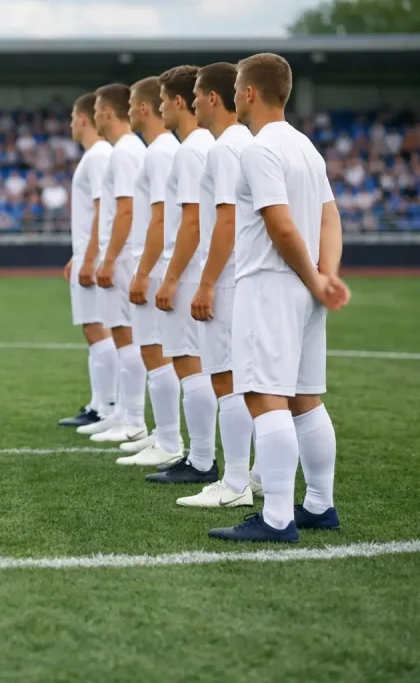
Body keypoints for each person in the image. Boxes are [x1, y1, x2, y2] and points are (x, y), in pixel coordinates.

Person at [210, 53, 349, 543]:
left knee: (263, 395)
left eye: (236, 90)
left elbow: (279, 223)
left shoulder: (259, 148)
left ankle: (275, 519)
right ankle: (318, 503)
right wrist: (324, 276)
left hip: (271, 283)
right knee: (305, 398)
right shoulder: (306, 147)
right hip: (304, 287)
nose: (233, 98)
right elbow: (330, 218)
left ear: (248, 93)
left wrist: (315, 277)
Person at [176, 62, 259, 507]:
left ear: (212, 98)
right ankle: (253, 475)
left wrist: (206, 284)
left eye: (196, 95)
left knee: (226, 379)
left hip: (227, 280)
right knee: (249, 380)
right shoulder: (248, 142)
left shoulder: (226, 149)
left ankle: (234, 484)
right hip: (247, 276)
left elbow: (224, 220)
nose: (191, 103)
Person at [144, 65, 219, 486]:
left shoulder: (191, 149)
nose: (165, 109)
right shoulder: (207, 145)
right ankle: (202, 455)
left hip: (191, 267)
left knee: (190, 365)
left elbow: (190, 223)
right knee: (203, 366)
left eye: (164, 102)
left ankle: (203, 460)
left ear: (176, 101)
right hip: (203, 265)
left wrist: (170, 278)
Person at [115, 76, 184, 466]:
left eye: (133, 106)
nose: (130, 114)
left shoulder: (160, 153)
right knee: (156, 352)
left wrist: (143, 272)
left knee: (156, 353)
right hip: (159, 260)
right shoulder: (161, 151)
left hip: (157, 262)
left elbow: (160, 218)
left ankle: (170, 441)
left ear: (143, 108)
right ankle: (163, 434)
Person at [78, 83, 148, 445]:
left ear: (105, 112)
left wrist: (106, 258)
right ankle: (123, 412)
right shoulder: (130, 150)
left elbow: (125, 210)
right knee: (125, 336)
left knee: (126, 337)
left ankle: (133, 418)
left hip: (122, 255)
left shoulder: (123, 153)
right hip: (124, 253)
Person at [58, 93, 117, 430]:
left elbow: (102, 209)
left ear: (83, 119)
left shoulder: (98, 157)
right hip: (89, 251)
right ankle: (100, 403)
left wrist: (90, 256)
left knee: (99, 328)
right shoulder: (97, 156)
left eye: (72, 117)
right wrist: (78, 254)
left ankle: (108, 407)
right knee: (94, 328)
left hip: (96, 254)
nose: (70, 124)